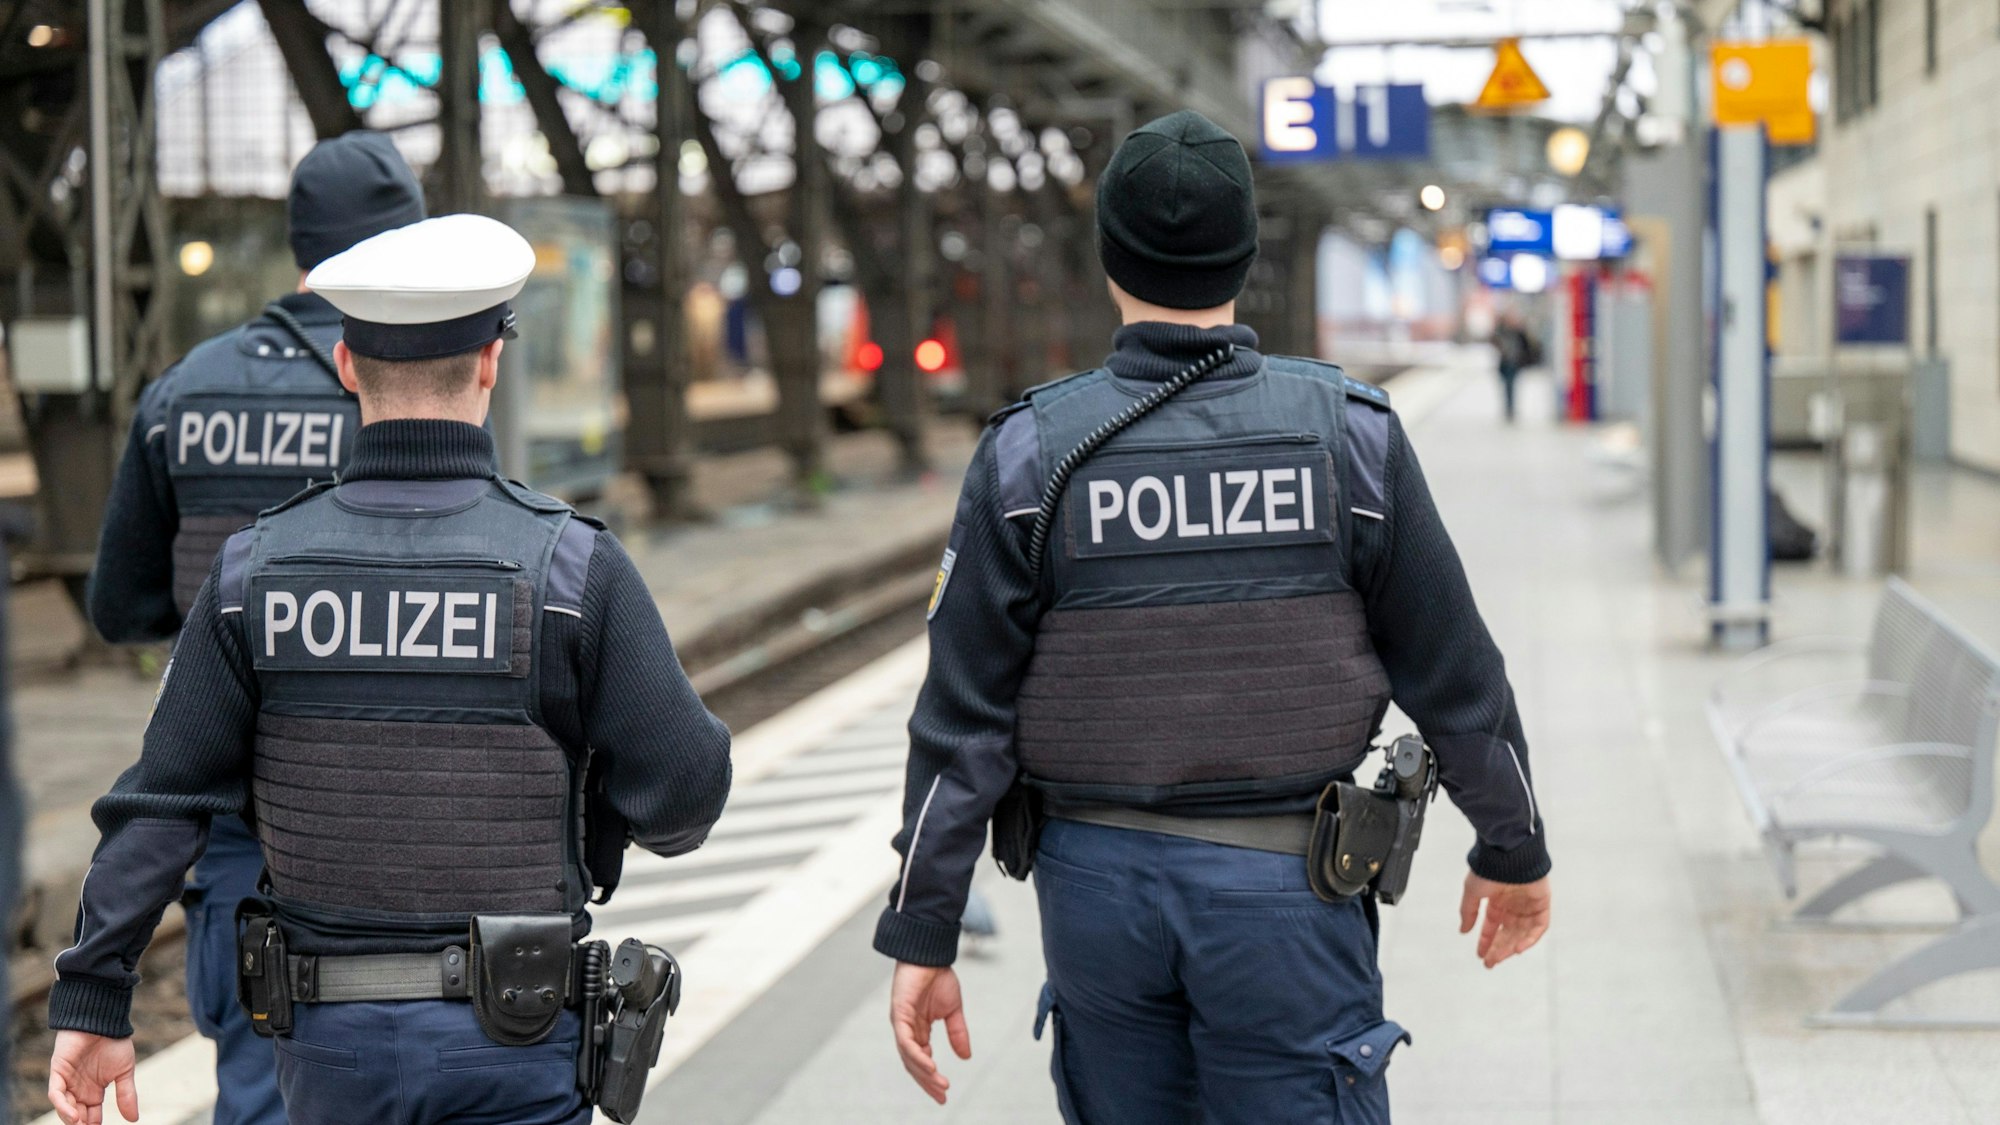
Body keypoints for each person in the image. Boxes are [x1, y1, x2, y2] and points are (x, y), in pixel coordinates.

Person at [876, 110, 1553, 1123]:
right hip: (1288, 890)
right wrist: (1513, 846)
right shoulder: (1350, 441)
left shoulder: (1028, 455)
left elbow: (960, 718)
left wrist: (922, 928)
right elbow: (1456, 676)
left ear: (1109, 258)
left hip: (1093, 893)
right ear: (1245, 253)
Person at [47, 214, 733, 1125]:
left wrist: (94, 995)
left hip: (330, 1053)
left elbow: (162, 801)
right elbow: (685, 794)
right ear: (491, 362)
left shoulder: (254, 573)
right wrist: (592, 801)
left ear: (346, 367)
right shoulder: (572, 569)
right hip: (516, 1041)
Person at [81, 129, 425, 1125]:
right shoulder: (407, 391)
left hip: (232, 812)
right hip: (383, 812)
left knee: (258, 1082)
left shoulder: (182, 392)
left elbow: (119, 606)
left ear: (299, 243)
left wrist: (214, 639)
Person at [1492, 311, 1533, 423]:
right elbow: (1494, 339)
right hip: (1504, 363)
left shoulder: (1518, 332)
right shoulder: (1501, 330)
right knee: (1506, 386)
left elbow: (1526, 344)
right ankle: (1508, 408)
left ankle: (1511, 409)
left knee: (1511, 386)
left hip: (1515, 363)